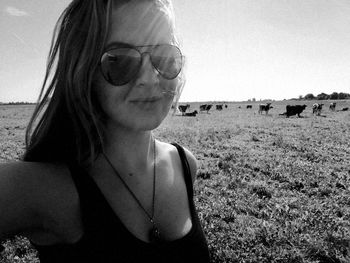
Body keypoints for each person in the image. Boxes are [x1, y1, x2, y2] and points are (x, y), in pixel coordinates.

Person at [0, 0, 210, 262]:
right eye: (119, 61)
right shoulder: (43, 187)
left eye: (165, 57)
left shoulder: (185, 164)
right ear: (84, 72)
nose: (150, 78)